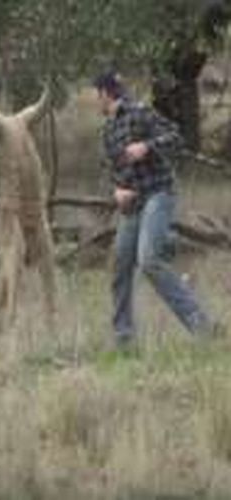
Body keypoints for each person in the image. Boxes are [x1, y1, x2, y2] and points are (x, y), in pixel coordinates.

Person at [94, 70, 219, 349]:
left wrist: (147, 147)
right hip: (132, 205)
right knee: (120, 266)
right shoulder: (107, 130)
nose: (96, 101)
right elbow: (110, 172)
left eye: (96, 95)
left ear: (104, 93)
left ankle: (202, 327)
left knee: (149, 259)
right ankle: (124, 339)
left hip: (159, 194)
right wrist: (116, 191)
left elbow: (177, 138)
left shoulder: (140, 113)